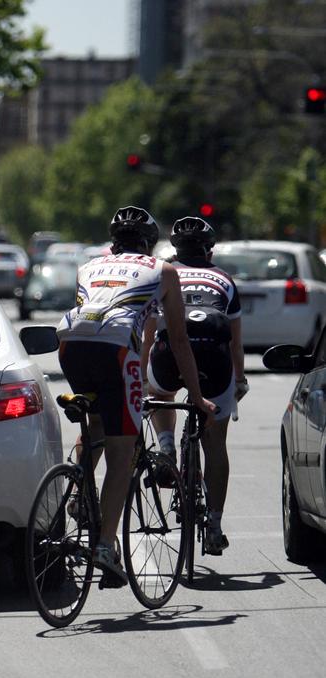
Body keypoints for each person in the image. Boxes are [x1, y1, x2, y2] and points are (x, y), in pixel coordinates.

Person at [56, 206, 216, 588]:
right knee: (122, 453)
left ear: (114, 242)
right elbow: (177, 340)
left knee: (96, 422)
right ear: (149, 243)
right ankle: (106, 548)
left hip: (69, 343)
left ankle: (78, 491)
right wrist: (196, 395)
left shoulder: (89, 266)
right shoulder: (163, 271)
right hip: (114, 349)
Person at [141, 215, 248, 556]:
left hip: (170, 354)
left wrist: (144, 375)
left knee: (160, 392)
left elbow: (150, 331)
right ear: (210, 250)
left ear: (175, 249)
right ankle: (214, 525)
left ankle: (168, 446)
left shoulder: (163, 274)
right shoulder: (224, 279)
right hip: (214, 356)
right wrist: (240, 379)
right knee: (215, 443)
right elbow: (235, 343)